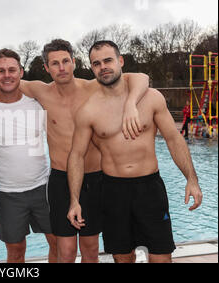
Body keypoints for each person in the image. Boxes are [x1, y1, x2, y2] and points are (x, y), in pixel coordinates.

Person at [0, 39, 149, 263]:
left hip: (94, 177)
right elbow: (3, 80)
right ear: (47, 68)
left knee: (89, 248)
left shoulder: (93, 87)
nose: (61, 68)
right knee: (65, 251)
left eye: (65, 61)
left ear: (73, 62)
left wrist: (131, 104)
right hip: (60, 180)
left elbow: (141, 78)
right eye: (55, 63)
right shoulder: (41, 91)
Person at [67, 40, 203, 263]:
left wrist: (192, 179)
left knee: (161, 258)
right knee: (123, 258)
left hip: (149, 188)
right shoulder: (88, 110)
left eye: (108, 60)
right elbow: (76, 155)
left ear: (121, 61)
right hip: (113, 191)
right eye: (96, 63)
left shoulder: (151, 98)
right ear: (92, 69)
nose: (103, 67)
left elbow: (173, 138)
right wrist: (74, 200)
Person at [0, 48, 57, 263]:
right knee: (15, 252)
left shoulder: (37, 105)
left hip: (43, 188)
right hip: (8, 194)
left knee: (57, 243)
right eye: (1, 71)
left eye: (12, 70)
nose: (7, 75)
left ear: (21, 72)